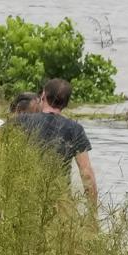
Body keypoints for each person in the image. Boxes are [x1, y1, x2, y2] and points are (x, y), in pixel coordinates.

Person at [12, 77, 99, 213]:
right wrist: (93, 215)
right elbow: (86, 173)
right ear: (66, 104)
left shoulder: (21, 121)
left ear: (43, 95)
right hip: (61, 203)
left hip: (25, 202)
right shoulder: (75, 129)